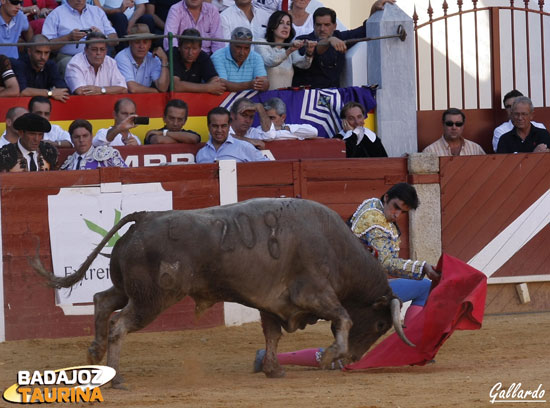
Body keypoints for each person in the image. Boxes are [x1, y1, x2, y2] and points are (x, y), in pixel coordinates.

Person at [252, 182, 440, 372]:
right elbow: (386, 263)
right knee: (346, 356)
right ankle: (272, 358)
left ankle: (411, 345)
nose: (397, 215)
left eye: (403, 212)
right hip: (357, 296)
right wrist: (421, 266)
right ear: (386, 198)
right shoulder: (374, 221)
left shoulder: (373, 205)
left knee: (423, 287)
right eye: (396, 208)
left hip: (353, 286)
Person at [293, 1, 394, 89]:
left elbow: (364, 31)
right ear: (313, 25)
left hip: (334, 96)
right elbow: (313, 50)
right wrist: (329, 40)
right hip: (308, 98)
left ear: (334, 26)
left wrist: (374, 11)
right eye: (318, 25)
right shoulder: (302, 40)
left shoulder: (340, 36)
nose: (322, 29)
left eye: (327, 25)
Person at [42, 0, 117, 74]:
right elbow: (46, 45)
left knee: (111, 64)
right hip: (69, 56)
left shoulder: (97, 11)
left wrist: (102, 36)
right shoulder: (56, 14)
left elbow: (115, 40)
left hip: (98, 54)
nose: (79, 0)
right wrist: (68, 38)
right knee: (69, 65)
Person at [255, 10, 315, 90]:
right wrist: (289, 51)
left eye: (288, 24)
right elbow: (270, 61)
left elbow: (303, 65)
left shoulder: (290, 46)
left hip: (285, 99)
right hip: (266, 99)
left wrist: (309, 53)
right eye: (281, 23)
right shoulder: (261, 43)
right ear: (272, 26)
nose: (285, 27)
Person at [196, 106, 268, 163]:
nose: (219, 130)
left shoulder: (244, 147)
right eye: (215, 126)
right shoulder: (201, 153)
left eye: (223, 126)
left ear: (229, 125)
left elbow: (268, 166)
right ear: (208, 126)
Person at [210, 27, 269, 92]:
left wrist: (263, 84)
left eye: (246, 48)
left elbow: (265, 82)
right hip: (225, 100)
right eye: (238, 47)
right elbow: (221, 85)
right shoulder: (218, 57)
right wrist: (249, 85)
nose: (242, 53)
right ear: (230, 43)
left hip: (250, 99)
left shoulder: (256, 57)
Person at [13, 34, 70, 102]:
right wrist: (50, 93)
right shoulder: (19, 64)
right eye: (38, 52)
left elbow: (62, 89)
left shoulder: (50, 65)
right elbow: (22, 91)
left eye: (46, 53)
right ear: (29, 52)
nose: (43, 57)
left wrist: (54, 92)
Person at [115, 23, 169, 93]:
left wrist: (164, 60)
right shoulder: (121, 57)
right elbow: (132, 88)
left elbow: (163, 87)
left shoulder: (153, 58)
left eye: (145, 42)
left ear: (150, 44)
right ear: (130, 43)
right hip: (125, 101)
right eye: (137, 42)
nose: (141, 46)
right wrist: (155, 91)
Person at [171, 28, 225, 94]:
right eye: (186, 48)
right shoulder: (173, 54)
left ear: (200, 49)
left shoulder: (203, 56)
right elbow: (175, 86)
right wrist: (208, 88)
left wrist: (211, 86)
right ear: (179, 47)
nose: (190, 53)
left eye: (194, 48)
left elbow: (216, 82)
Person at [60, 119, 127, 169]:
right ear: (71, 139)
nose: (81, 140)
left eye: (85, 136)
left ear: (92, 136)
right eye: (77, 137)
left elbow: (127, 176)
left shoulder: (108, 156)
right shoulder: (67, 165)